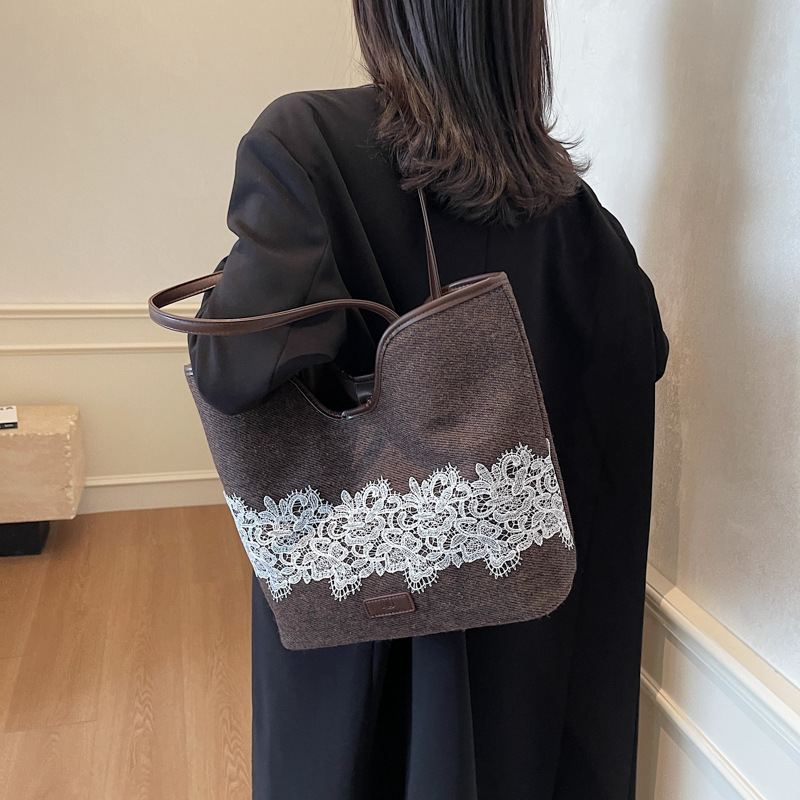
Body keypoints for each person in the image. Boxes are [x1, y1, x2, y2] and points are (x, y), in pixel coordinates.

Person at [188, 1, 670, 798]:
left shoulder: (307, 143)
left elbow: (232, 372)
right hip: (529, 660)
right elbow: (640, 354)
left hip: (365, 638)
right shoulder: (573, 211)